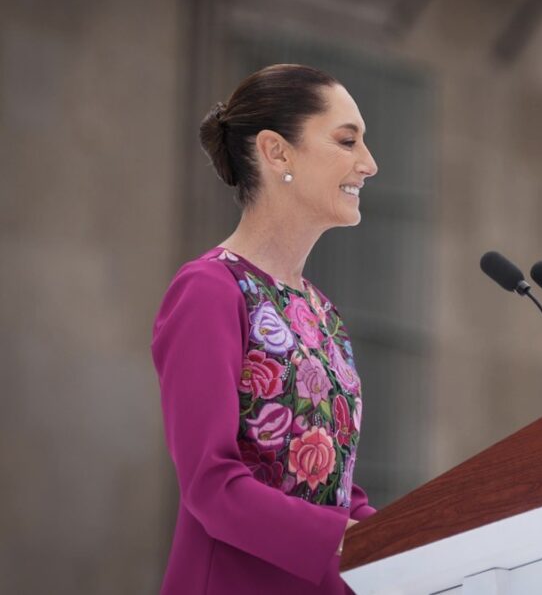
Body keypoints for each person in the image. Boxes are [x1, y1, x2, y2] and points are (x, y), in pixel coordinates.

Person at [151, 64, 379, 594]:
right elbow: (211, 485)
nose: (368, 164)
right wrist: (343, 538)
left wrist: (420, 538)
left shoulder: (322, 311)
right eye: (347, 141)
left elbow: (337, 487)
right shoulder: (209, 290)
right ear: (277, 152)